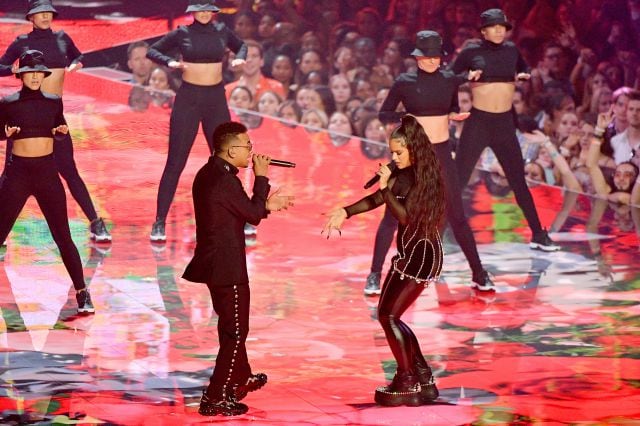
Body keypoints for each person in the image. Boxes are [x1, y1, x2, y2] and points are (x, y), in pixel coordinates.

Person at [322, 115, 444, 407]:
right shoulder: (404, 174)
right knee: (391, 316)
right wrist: (345, 211)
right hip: (412, 254)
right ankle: (422, 376)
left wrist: (388, 187)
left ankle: (407, 379)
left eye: (399, 152)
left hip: (421, 256)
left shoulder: (424, 179)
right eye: (392, 152)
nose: (394, 157)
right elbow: (376, 200)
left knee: (388, 316)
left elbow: (405, 217)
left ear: (414, 149)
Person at [182, 121, 294, 416]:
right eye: (247, 147)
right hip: (225, 266)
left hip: (218, 263)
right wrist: (261, 178)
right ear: (231, 150)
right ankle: (216, 396)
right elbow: (253, 214)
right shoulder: (224, 180)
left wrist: (267, 203)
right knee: (235, 332)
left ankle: (241, 378)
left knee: (231, 328)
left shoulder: (212, 174)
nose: (251, 152)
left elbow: (242, 209)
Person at [371, 30, 494, 294]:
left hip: (440, 152)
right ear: (417, 58)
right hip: (412, 153)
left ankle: (479, 273)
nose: (432, 61)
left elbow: (452, 101)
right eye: (427, 57)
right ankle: (373, 276)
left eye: (436, 56)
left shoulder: (449, 80)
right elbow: (384, 114)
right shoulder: (404, 82)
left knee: (457, 215)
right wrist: (410, 117)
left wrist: (452, 115)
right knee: (392, 216)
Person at [0, 0, 111, 242]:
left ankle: (96, 222)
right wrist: (15, 68)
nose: (45, 16)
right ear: (31, 17)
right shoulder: (22, 42)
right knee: (10, 173)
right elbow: (1, 66)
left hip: (52, 114)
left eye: (48, 12)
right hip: (24, 113)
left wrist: (76, 62)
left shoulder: (62, 37)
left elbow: (78, 56)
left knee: (69, 170)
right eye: (40, 13)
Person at [449, 8, 559, 251]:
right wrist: (467, 76)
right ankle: (436, 235)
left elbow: (525, 69)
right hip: (478, 122)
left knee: (518, 180)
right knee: (459, 180)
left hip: (503, 124)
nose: (499, 30)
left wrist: (524, 74)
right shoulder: (471, 51)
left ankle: (539, 235)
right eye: (495, 27)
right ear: (484, 30)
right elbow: (449, 76)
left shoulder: (511, 50)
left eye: (503, 27)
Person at [0, 50, 94, 314]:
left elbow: (59, 130)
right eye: (30, 73)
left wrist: (62, 133)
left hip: (46, 173)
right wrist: (4, 134)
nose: (35, 77)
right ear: (22, 76)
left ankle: (82, 292)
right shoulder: (8, 102)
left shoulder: (54, 101)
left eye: (38, 73)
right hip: (17, 174)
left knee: (63, 236)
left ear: (43, 75)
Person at [146, 0, 248, 242]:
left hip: (216, 99)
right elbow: (153, 50)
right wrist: (169, 62)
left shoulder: (223, 31)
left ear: (213, 12)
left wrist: (239, 58)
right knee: (176, 162)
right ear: (193, 12)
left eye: (207, 9)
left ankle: (239, 218)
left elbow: (241, 45)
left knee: (225, 162)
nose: (203, 14)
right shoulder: (183, 33)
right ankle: (159, 221)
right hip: (189, 99)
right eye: (199, 9)